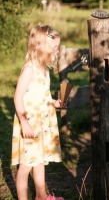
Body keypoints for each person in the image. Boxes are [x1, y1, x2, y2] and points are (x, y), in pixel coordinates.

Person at [12, 25, 65, 200]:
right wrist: (24, 121)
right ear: (39, 47)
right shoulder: (29, 70)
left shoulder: (44, 70)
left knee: (40, 160)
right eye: (54, 48)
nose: (57, 52)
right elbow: (18, 98)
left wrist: (53, 102)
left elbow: (41, 94)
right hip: (30, 124)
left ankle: (41, 196)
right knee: (26, 166)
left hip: (42, 123)